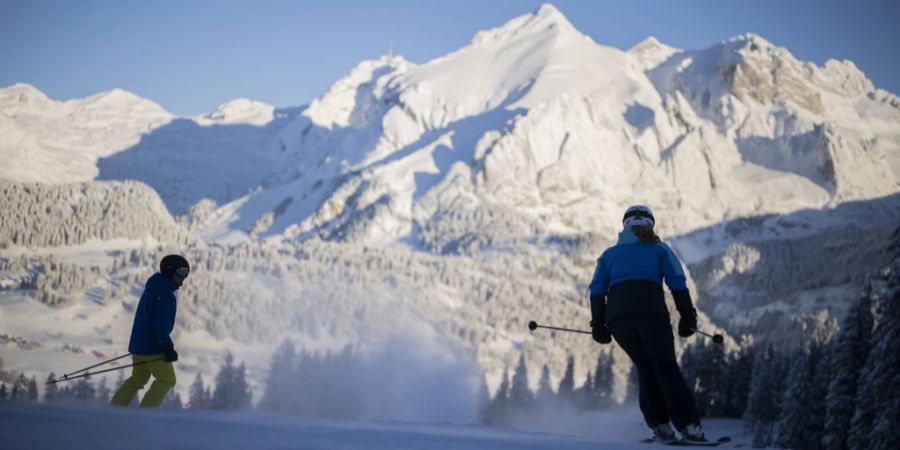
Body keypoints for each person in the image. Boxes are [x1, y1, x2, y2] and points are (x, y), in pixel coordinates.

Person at [588, 205, 705, 442]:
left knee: (647, 368)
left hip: (618, 318)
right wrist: (687, 317)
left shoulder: (609, 255)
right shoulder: (659, 249)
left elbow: (597, 290)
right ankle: (689, 427)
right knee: (665, 368)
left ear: (625, 226)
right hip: (650, 313)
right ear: (651, 225)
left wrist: (598, 324)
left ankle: (660, 426)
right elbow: (678, 283)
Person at [110, 254, 189, 408]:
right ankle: (145, 414)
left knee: (137, 380)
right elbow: (159, 326)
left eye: (186, 273)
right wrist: (167, 347)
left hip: (138, 345)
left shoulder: (153, 288)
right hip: (153, 347)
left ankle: (113, 409)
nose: (183, 278)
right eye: (181, 272)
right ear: (169, 271)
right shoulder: (165, 294)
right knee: (167, 380)